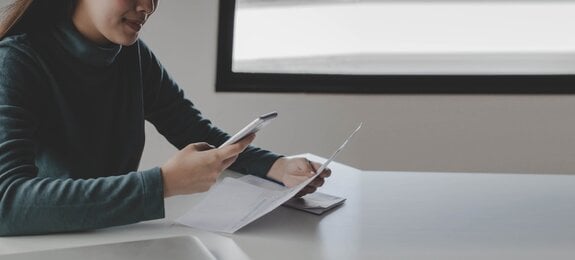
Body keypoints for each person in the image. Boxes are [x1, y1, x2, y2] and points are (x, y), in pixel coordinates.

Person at [0, 0, 330, 236]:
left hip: (112, 236)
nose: (148, 6)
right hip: (41, 246)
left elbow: (192, 129)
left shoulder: (133, 56)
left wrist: (275, 166)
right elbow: (7, 205)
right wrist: (163, 184)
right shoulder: (15, 63)